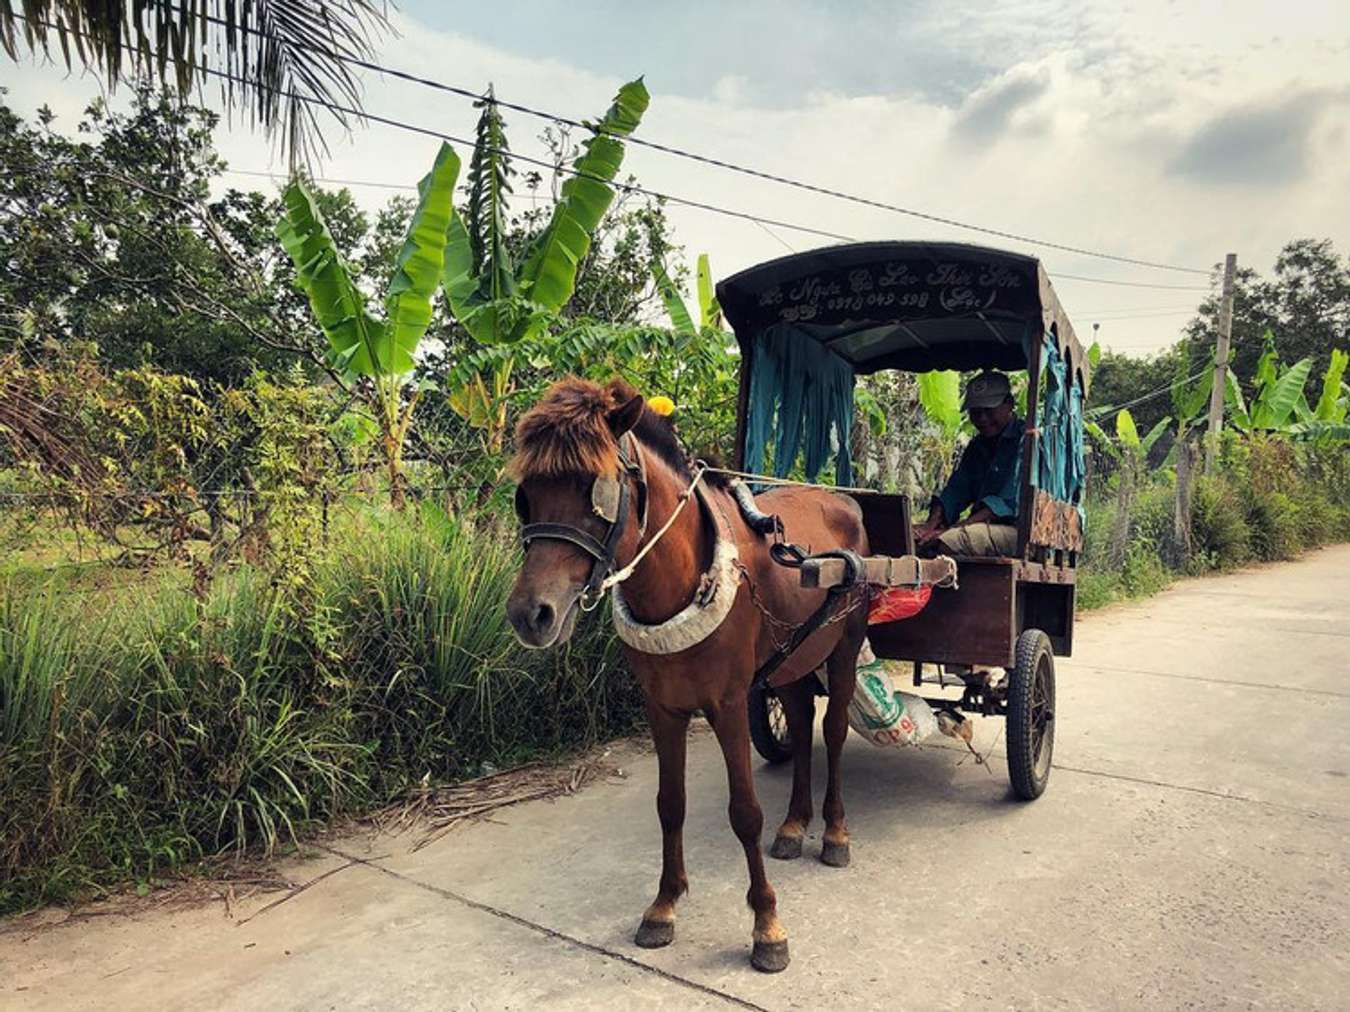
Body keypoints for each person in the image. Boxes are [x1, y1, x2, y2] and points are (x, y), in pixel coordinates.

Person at [911, 370, 1024, 557]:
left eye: (989, 411)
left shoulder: (1025, 442)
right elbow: (957, 489)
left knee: (951, 541)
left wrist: (955, 529)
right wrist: (931, 524)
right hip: (979, 527)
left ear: (1009, 404)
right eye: (976, 412)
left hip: (1016, 531)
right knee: (907, 535)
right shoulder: (977, 445)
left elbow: (1002, 505)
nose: (982, 419)